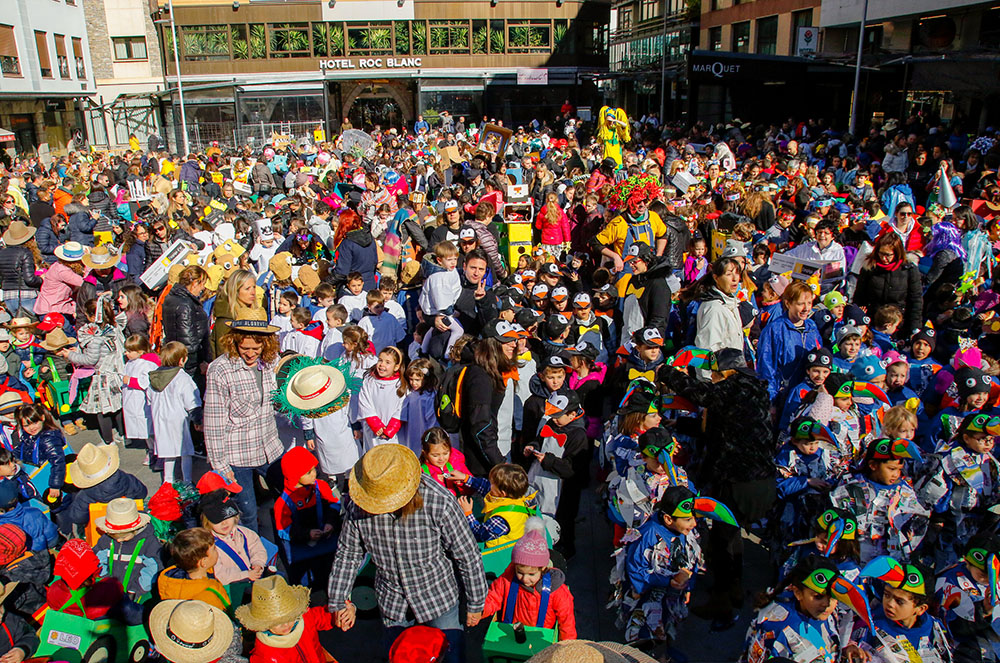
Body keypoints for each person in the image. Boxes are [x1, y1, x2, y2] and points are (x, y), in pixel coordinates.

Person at [327, 444, 488, 663]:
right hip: (393, 603)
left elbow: (467, 555)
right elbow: (348, 553)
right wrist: (338, 600)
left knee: (451, 657)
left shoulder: (438, 500)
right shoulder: (359, 506)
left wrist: (475, 604)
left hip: (438, 598)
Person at [204, 319, 284, 532]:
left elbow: (278, 402)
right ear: (234, 343)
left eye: (256, 348)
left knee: (287, 497)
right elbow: (213, 422)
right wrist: (221, 466)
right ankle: (256, 556)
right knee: (246, 511)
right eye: (244, 348)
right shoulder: (220, 370)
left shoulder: (270, 362)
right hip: (238, 454)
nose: (250, 354)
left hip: (270, 446)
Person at [481, 519, 577, 640]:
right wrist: (480, 610)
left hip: (541, 640)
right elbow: (494, 597)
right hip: (510, 636)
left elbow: (566, 622)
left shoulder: (557, 591)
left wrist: (566, 646)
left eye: (531, 574)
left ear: (543, 568)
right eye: (520, 572)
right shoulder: (508, 579)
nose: (525, 579)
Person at [237, 575, 337, 663]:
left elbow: (324, 615)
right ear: (263, 624)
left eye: (289, 618)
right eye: (277, 623)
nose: (286, 625)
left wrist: (341, 612)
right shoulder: (264, 656)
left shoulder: (305, 618)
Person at [150, 341, 202, 484]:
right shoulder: (182, 378)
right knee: (185, 452)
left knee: (168, 453)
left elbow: (149, 398)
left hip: (160, 418)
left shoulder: (154, 377)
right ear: (182, 360)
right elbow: (191, 401)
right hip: (178, 421)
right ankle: (187, 481)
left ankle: (167, 482)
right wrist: (198, 420)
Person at [92, 497, 162, 600]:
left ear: (135, 530)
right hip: (110, 590)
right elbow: (96, 560)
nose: (119, 541)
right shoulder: (106, 540)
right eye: (114, 536)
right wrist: (104, 579)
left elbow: (153, 570)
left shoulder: (150, 543)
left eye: (123, 537)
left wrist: (136, 589)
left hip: (137, 595)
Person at [199, 489, 266, 587]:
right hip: (233, 589)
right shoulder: (209, 545)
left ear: (235, 516)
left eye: (227, 517)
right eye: (217, 520)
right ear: (207, 523)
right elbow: (220, 574)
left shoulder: (245, 533)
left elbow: (257, 548)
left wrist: (258, 563)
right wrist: (246, 575)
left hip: (254, 582)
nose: (224, 523)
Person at [157, 527, 230, 611]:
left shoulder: (170, 581)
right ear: (203, 562)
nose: (217, 551)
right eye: (214, 549)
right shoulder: (209, 596)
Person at [161, 265, 211, 379]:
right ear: (195, 283)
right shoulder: (186, 304)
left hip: (175, 353)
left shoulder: (171, 297)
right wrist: (199, 362)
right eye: (202, 284)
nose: (203, 288)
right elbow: (187, 339)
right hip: (189, 362)